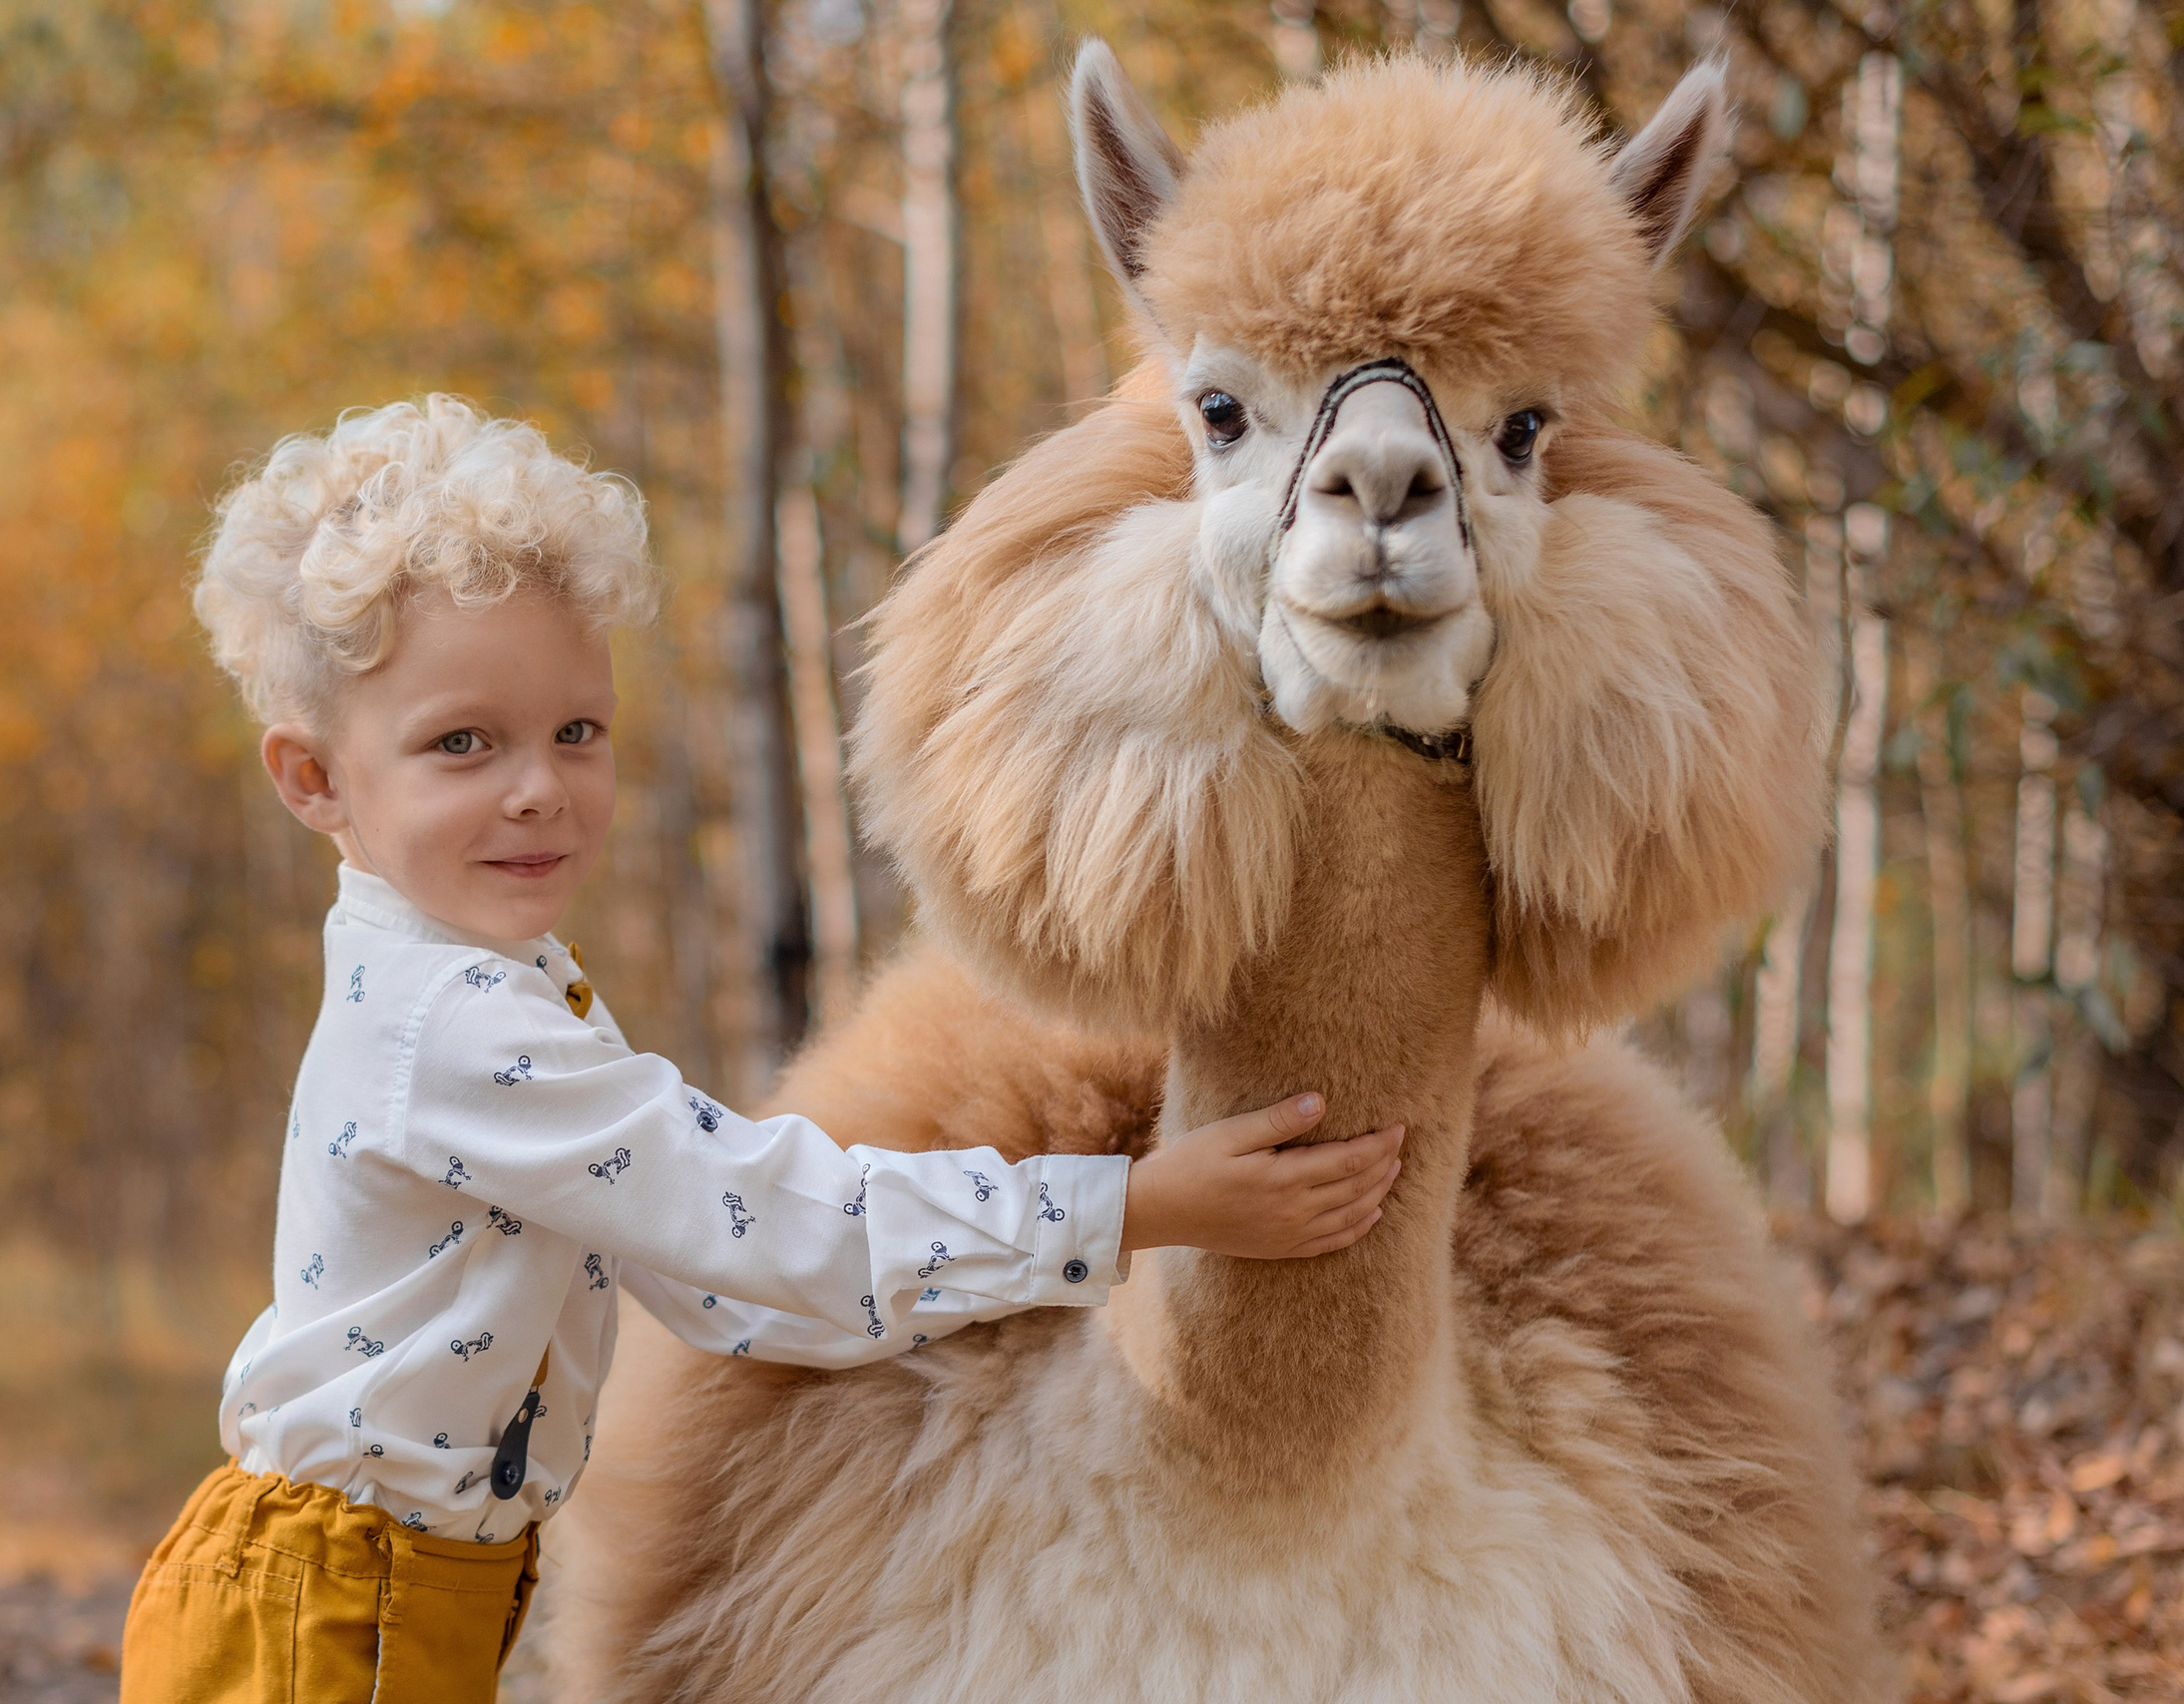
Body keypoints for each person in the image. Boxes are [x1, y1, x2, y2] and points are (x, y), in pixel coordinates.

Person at [119, 396, 1405, 1701]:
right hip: (334, 1614)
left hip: (394, 1588)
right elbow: (759, 1223)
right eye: (463, 744)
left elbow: (718, 1287)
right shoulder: (453, 1027)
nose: (539, 788)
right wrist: (1132, 1208)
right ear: (314, 779)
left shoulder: (496, 986)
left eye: (577, 732)